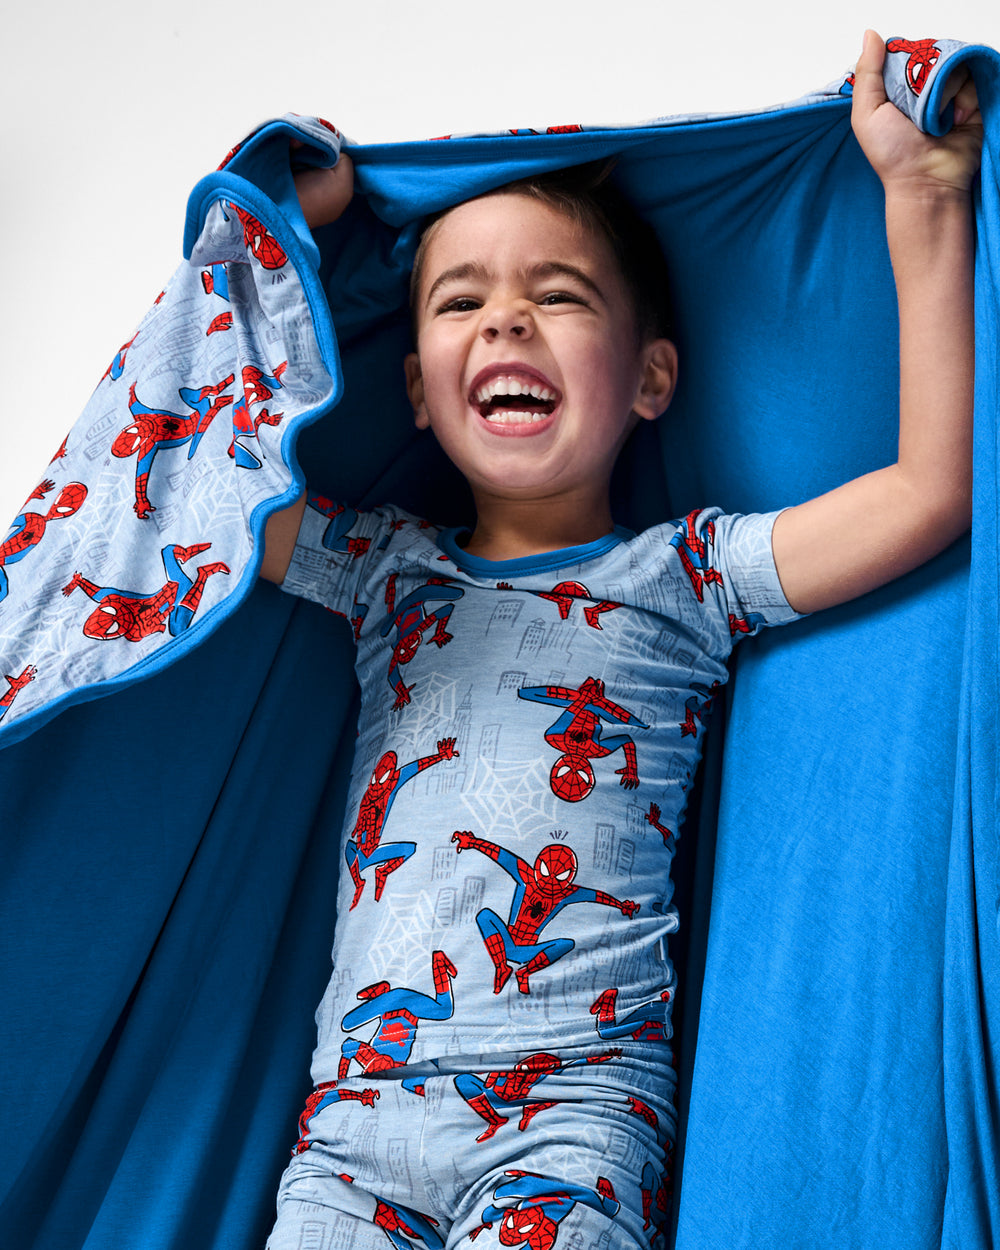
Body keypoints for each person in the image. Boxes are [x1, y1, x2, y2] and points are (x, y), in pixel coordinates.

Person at [259, 32, 981, 1250]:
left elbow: (927, 489)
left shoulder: (683, 575)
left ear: (650, 379)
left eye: (556, 294)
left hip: (571, 1122)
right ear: (422, 393)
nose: (506, 322)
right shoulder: (385, 567)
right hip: (351, 1131)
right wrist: (278, 236)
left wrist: (920, 198)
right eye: (462, 300)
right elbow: (206, 481)